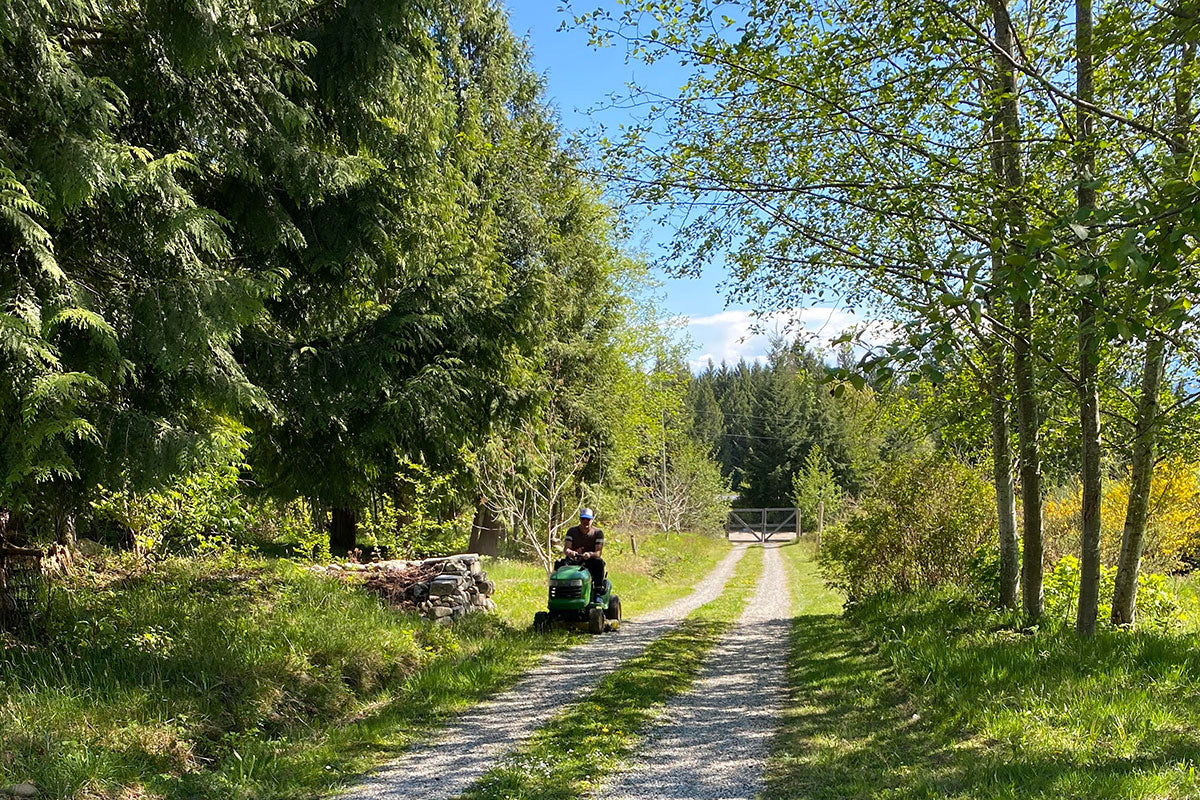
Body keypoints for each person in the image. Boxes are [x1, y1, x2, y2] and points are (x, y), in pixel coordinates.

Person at [559, 508, 606, 592]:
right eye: (583, 519)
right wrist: (571, 552)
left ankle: (598, 590)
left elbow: (598, 552)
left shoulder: (598, 533)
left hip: (590, 560)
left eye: (587, 519)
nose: (585, 521)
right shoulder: (572, 531)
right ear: (580, 519)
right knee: (559, 565)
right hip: (574, 560)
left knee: (599, 562)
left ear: (592, 519)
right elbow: (566, 549)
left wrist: (589, 554)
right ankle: (561, 590)